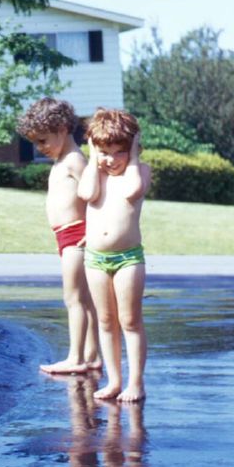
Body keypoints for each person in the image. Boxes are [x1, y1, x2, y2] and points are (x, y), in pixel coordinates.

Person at [17, 97, 101, 374]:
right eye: (35, 143)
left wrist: (94, 230)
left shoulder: (75, 161)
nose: (39, 148)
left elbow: (96, 197)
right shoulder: (63, 160)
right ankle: (91, 355)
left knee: (74, 299)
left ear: (63, 129)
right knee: (85, 301)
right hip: (67, 237)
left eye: (43, 140)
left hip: (77, 237)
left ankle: (76, 357)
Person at [77, 108, 151, 402]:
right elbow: (86, 194)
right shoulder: (96, 174)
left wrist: (132, 157)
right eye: (104, 151)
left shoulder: (140, 171)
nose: (111, 159)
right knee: (106, 322)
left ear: (132, 147)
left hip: (128, 259)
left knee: (130, 320)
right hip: (95, 259)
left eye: (118, 152)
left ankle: (136, 382)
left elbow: (133, 191)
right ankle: (114, 381)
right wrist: (95, 159)